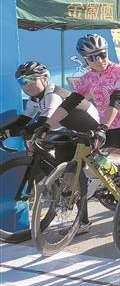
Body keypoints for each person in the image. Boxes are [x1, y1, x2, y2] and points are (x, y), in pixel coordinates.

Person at [50, 34, 120, 234]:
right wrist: (46, 126)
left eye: (102, 55)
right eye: (92, 58)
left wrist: (102, 127)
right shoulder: (88, 78)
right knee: (76, 159)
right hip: (106, 128)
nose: (99, 60)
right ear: (85, 59)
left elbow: (116, 100)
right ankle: (82, 221)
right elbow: (69, 103)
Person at [4, 62, 101, 233]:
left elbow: (41, 124)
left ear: (45, 78)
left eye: (30, 79)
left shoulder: (52, 95)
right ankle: (65, 192)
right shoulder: (36, 99)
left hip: (88, 131)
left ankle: (83, 221)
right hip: (70, 132)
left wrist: (9, 134)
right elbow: (24, 121)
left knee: (74, 173)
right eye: (21, 81)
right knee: (63, 169)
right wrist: (3, 131)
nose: (26, 85)